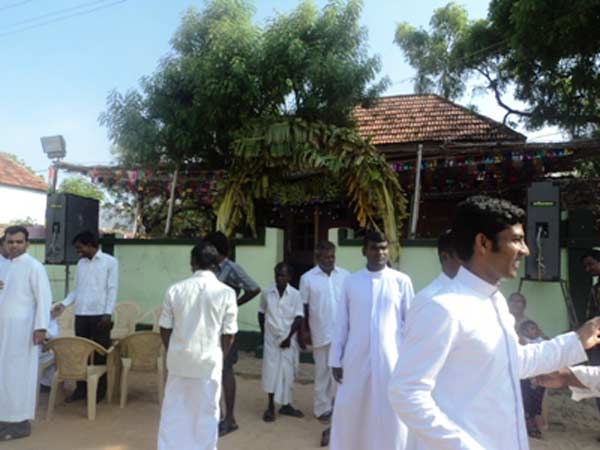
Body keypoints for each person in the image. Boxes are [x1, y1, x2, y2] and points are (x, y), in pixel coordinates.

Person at [389, 195, 600, 450]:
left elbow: (512, 361)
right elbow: (406, 392)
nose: (526, 250)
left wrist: (576, 341)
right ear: (483, 243)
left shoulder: (495, 301)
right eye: (516, 239)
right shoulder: (442, 307)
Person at [328, 230, 414, 450]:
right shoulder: (351, 282)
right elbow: (341, 323)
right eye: (374, 248)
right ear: (364, 251)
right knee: (353, 405)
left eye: (384, 248)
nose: (380, 253)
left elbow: (410, 325)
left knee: (390, 408)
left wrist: (408, 361)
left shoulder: (401, 281)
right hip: (356, 358)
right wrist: (336, 359)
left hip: (391, 358)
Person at [157, 240, 237, 450]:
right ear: (216, 264)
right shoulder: (227, 293)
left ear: (193, 262)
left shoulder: (175, 290)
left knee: (174, 412)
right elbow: (229, 334)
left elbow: (164, 328)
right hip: (209, 362)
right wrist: (220, 355)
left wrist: (173, 350)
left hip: (179, 361)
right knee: (206, 413)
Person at [203, 231, 261, 436]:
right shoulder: (208, 268)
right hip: (208, 327)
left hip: (225, 328)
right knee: (211, 370)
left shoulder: (232, 268)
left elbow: (254, 288)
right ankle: (216, 415)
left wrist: (235, 304)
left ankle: (230, 419)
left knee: (226, 370)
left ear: (214, 249)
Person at [53, 230, 118, 402]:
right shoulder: (81, 264)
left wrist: (108, 313)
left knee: (100, 354)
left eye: (79, 247)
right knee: (81, 353)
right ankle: (81, 390)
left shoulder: (110, 262)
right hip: (81, 314)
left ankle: (98, 392)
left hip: (100, 316)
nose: (78, 251)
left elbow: (112, 289)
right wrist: (63, 304)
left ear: (90, 245)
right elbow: (76, 290)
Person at [0, 226, 52, 441]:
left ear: (27, 244)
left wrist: (41, 327)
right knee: (4, 376)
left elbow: (44, 298)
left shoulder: (34, 267)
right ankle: (4, 418)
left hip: (23, 333)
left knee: (19, 376)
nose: (14, 246)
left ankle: (20, 423)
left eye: (19, 242)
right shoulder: (4, 266)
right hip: (3, 332)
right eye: (10, 242)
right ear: (5, 243)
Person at [299, 240, 349, 425]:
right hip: (320, 332)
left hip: (343, 334)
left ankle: (340, 408)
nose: (330, 260)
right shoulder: (307, 278)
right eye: (326, 257)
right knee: (322, 373)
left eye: (332, 256)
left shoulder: (346, 276)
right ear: (317, 257)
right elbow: (303, 307)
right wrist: (304, 332)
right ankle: (322, 409)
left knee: (342, 374)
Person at [259, 262, 305, 422]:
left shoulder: (296, 294)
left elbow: (299, 317)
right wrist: (263, 333)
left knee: (288, 372)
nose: (280, 278)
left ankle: (286, 405)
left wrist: (288, 337)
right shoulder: (266, 293)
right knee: (271, 372)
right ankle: (270, 406)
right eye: (277, 275)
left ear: (290, 277)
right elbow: (261, 313)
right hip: (271, 340)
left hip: (289, 339)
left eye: (283, 275)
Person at [517, 319, 546, 438]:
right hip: (526, 375)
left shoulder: (541, 341)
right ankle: (529, 421)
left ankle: (534, 419)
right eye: (530, 329)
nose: (534, 331)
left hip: (539, 374)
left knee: (537, 398)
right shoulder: (522, 341)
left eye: (535, 328)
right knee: (526, 398)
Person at [416, 229, 461, 299]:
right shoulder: (427, 298)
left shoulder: (474, 293)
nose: (469, 262)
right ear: (445, 257)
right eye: (463, 256)